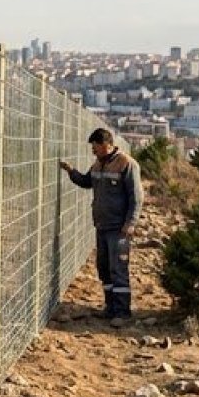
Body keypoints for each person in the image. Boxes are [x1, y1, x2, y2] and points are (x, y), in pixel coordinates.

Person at [58, 127, 143, 325]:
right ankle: (110, 307)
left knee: (118, 268)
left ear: (107, 144)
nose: (92, 150)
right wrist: (71, 171)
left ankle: (122, 312)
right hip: (102, 226)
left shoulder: (126, 164)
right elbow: (87, 182)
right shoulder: (98, 164)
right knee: (104, 268)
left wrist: (130, 223)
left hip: (119, 229)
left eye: (95, 146)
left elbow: (136, 198)